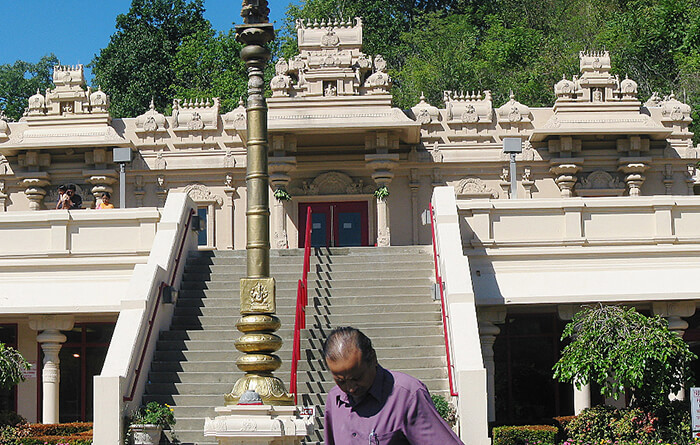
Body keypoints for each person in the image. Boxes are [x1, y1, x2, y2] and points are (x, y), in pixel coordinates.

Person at [323, 326, 464, 445]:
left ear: (373, 358)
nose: (351, 388)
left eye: (357, 378)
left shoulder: (407, 395)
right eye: (341, 381)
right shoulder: (334, 400)